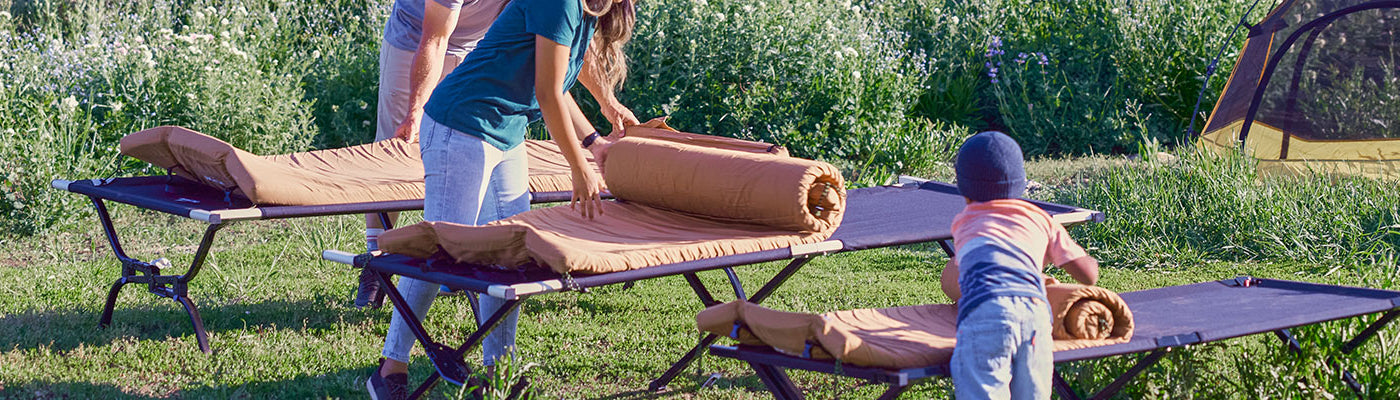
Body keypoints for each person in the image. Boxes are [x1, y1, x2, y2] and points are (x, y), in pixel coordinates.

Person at [366, 0, 637, 397]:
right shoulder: (560, 2)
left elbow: (558, 87)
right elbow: (546, 95)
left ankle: (498, 371)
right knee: (439, 248)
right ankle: (391, 368)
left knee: (509, 253)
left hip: (506, 133)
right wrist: (578, 166)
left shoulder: (590, 10)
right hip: (462, 124)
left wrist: (594, 145)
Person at [939, 131, 1099, 399]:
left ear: (964, 190)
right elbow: (1088, 275)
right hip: (1033, 315)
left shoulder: (964, 222)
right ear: (1022, 183)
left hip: (985, 312)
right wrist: (1081, 258)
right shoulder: (1042, 220)